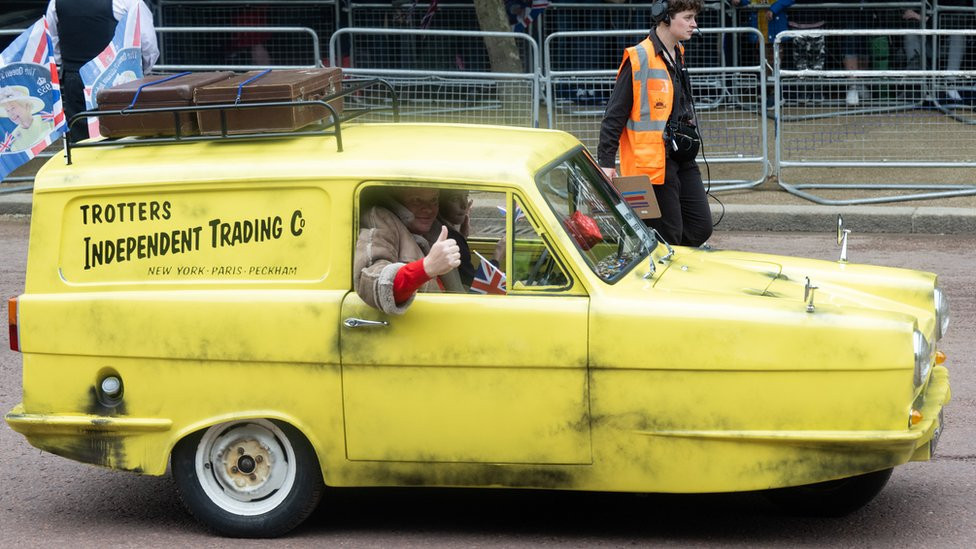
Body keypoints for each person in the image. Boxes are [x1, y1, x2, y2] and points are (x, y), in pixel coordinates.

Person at [597, 0, 712, 247]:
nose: (694, 24)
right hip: (652, 166)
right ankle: (663, 269)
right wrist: (606, 163)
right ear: (666, 17)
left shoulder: (678, 53)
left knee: (700, 227)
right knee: (667, 234)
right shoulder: (639, 57)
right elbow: (614, 116)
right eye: (688, 17)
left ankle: (661, 256)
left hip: (680, 157)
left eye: (694, 18)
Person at [44, 0, 159, 143]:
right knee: (123, 136)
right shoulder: (128, 1)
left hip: (75, 77)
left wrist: (66, 64)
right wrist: (142, 71)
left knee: (80, 139)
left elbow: (52, 41)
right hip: (117, 79)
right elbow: (148, 44)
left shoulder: (56, 2)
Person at [354, 187, 465, 315]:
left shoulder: (434, 230)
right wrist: (426, 267)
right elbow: (374, 284)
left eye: (434, 200)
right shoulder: (381, 221)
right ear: (394, 203)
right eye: (417, 200)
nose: (429, 209)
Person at [0, 86, 55, 152]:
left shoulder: (48, 121)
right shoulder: (13, 138)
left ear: (27, 106)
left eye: (13, 108)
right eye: (7, 110)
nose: (11, 114)